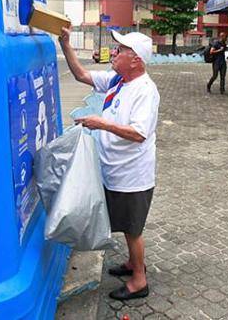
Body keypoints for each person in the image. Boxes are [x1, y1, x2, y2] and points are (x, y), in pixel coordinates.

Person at [59, 27, 160, 301]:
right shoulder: (118, 81)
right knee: (125, 225)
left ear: (136, 59)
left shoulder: (145, 91)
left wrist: (101, 122)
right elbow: (81, 75)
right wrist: (66, 44)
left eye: (121, 50)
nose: (114, 53)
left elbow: (138, 134)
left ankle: (139, 280)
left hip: (132, 176)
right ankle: (131, 265)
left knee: (132, 229)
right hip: (113, 171)